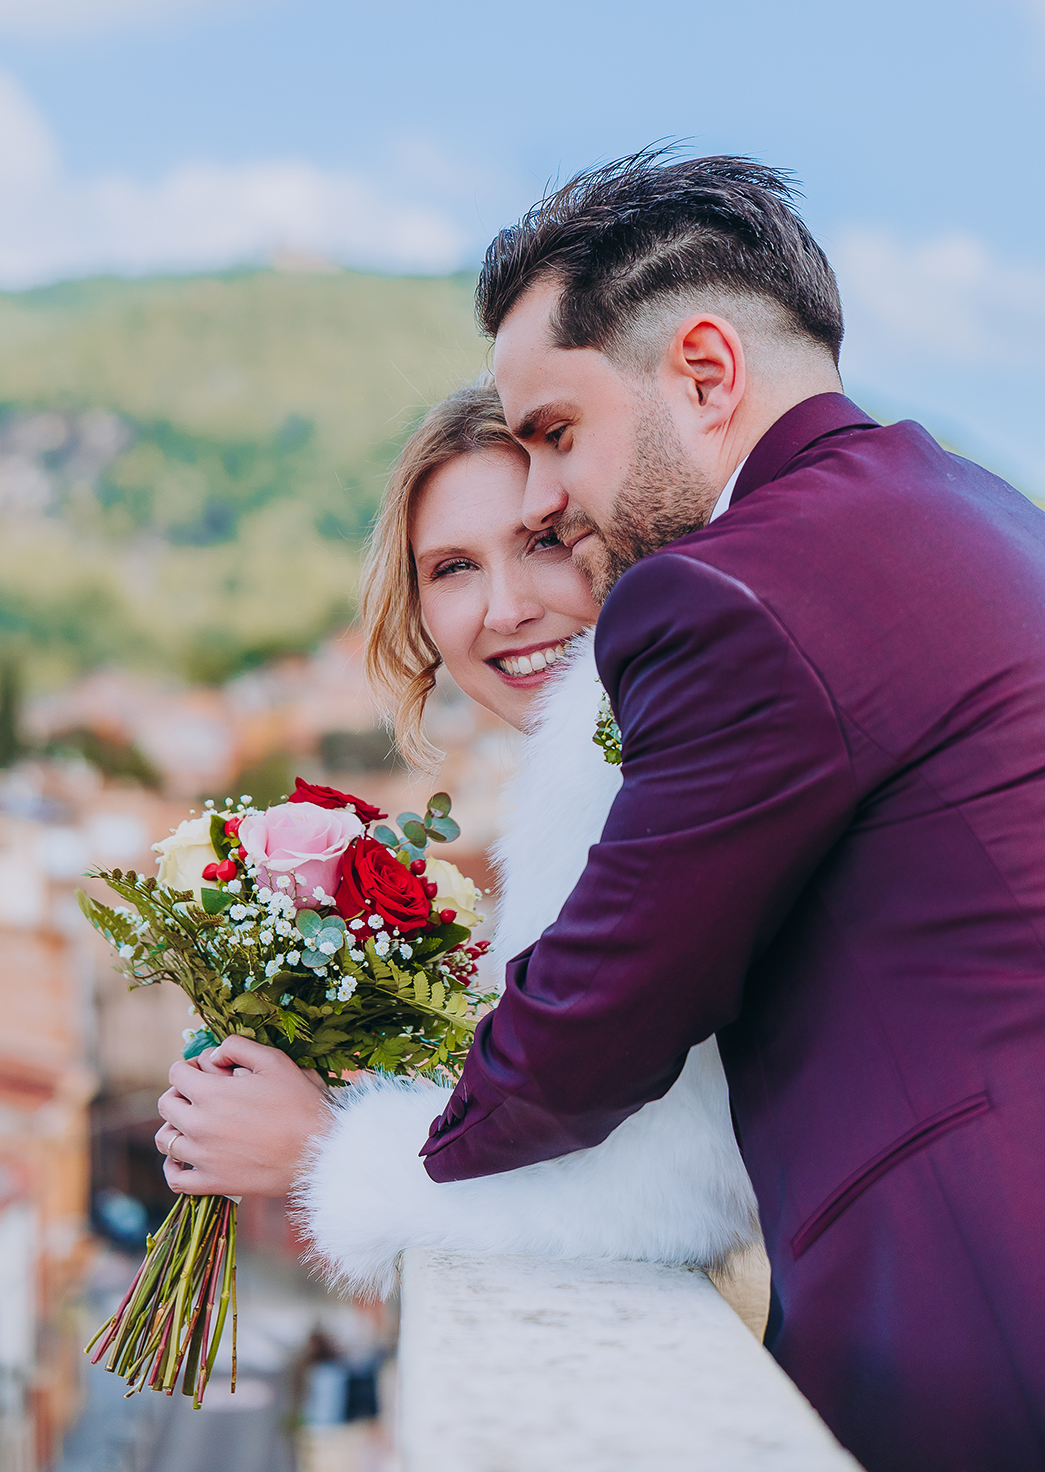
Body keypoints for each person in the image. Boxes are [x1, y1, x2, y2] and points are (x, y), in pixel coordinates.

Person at [419, 152, 1045, 1472]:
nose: (542, 499)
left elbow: (590, 1028)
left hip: (977, 1311)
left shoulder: (729, 594)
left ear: (704, 373)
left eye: (554, 436)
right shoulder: (983, 512)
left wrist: (362, 1159)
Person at [154, 381, 761, 1308]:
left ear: (617, 536)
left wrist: (322, 1149)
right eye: (451, 568)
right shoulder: (613, 758)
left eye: (544, 543)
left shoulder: (637, 766)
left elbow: (671, 1190)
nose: (505, 609)